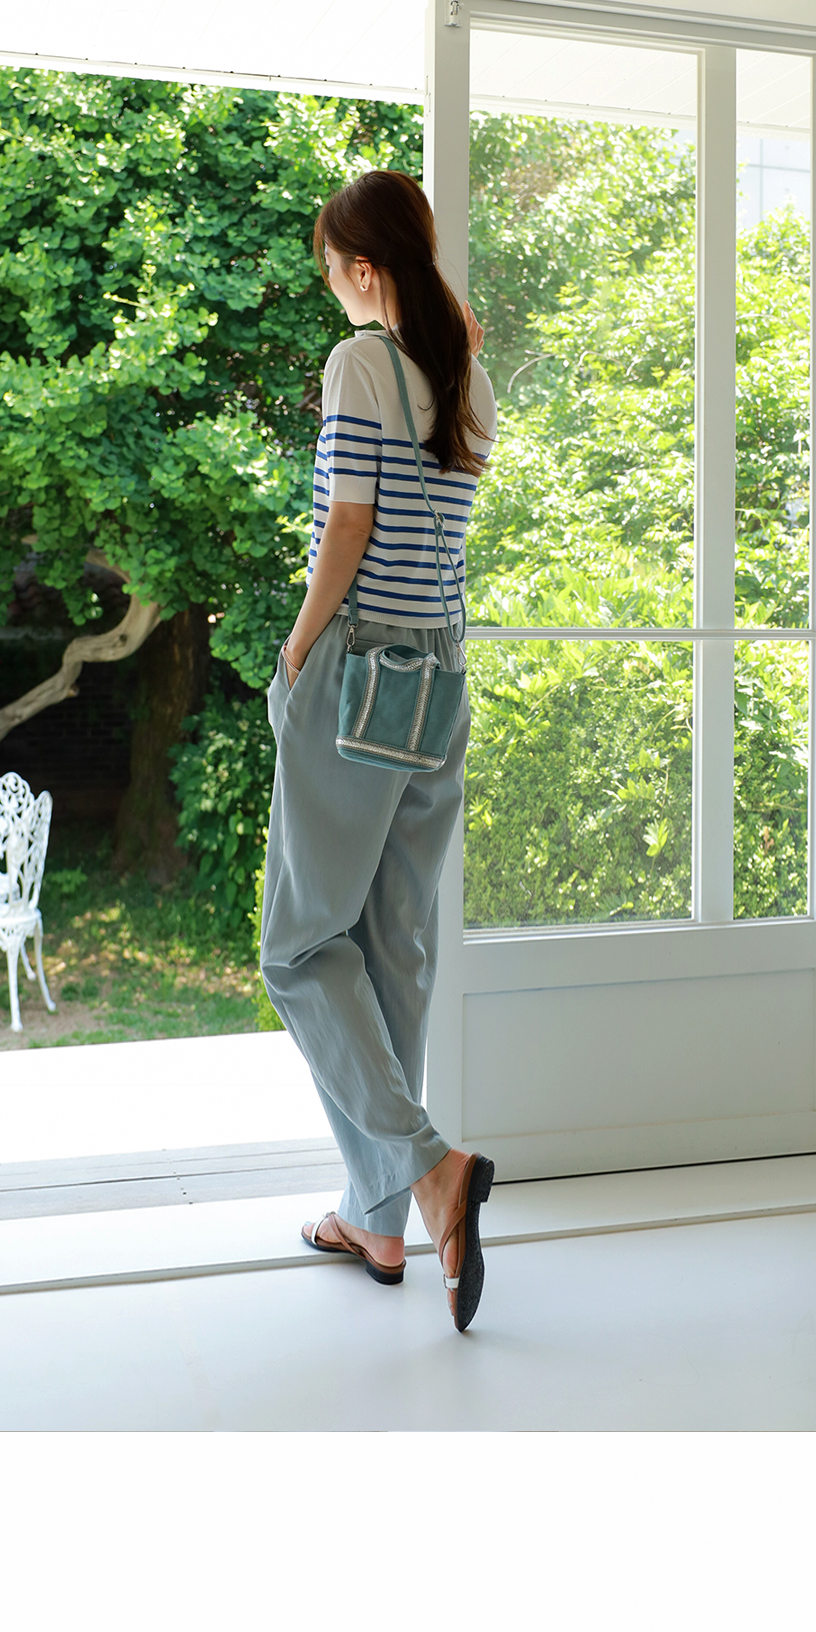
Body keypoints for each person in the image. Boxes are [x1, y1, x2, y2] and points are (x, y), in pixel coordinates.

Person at [259, 169, 497, 1331]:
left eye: (332, 272)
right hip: (440, 672)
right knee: (393, 947)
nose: (335, 293)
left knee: (300, 946)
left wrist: (296, 650)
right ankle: (379, 1216)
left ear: (362, 267)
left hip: (357, 671)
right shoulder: (468, 379)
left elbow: (346, 522)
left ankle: (428, 1166)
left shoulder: (360, 362)